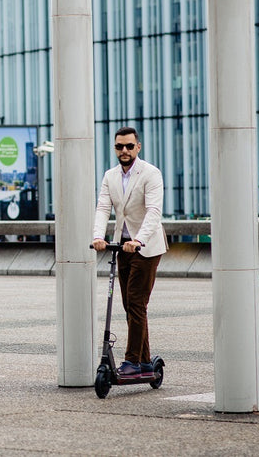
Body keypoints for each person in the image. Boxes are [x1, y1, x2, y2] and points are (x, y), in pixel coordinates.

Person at [91, 126, 167, 376]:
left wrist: (139, 240)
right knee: (130, 305)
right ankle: (145, 361)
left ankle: (132, 360)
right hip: (120, 246)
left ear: (138, 147)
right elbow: (103, 207)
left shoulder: (150, 173)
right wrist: (98, 236)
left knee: (136, 302)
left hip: (146, 247)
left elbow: (154, 212)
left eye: (129, 146)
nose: (124, 150)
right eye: (119, 146)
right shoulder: (110, 176)